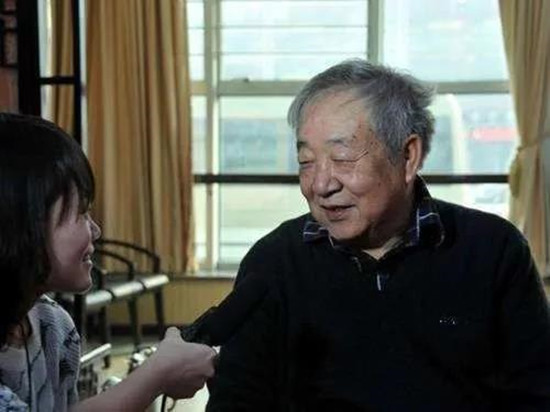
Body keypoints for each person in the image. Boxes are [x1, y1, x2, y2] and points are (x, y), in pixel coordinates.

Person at [206, 59, 550, 411]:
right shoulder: (273, 262)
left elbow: (537, 395)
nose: (320, 185)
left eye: (342, 157)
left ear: (408, 156)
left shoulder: (493, 250)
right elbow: (235, 402)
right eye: (306, 161)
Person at [0, 113, 216, 411]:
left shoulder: (54, 327)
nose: (96, 230)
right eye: (81, 212)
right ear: (21, 222)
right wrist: (156, 376)